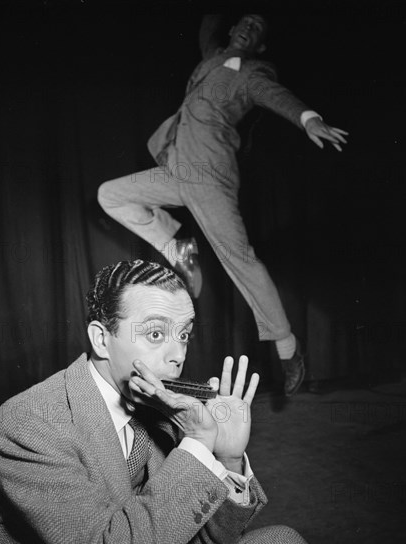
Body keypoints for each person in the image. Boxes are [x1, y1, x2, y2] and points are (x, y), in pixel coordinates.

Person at [0, 259, 311, 544]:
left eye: (184, 334)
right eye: (156, 334)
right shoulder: (29, 423)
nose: (177, 355)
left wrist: (226, 457)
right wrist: (198, 445)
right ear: (102, 339)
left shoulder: (161, 408)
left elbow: (207, 542)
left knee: (283, 543)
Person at [97, 14, 348, 397]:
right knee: (110, 194)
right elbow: (206, 28)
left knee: (241, 260)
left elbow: (277, 96)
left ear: (260, 45)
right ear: (232, 30)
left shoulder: (252, 73)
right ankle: (176, 242)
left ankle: (288, 347)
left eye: (259, 28)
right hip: (178, 167)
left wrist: (308, 119)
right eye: (245, 21)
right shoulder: (211, 57)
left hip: (210, 175)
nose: (250, 27)